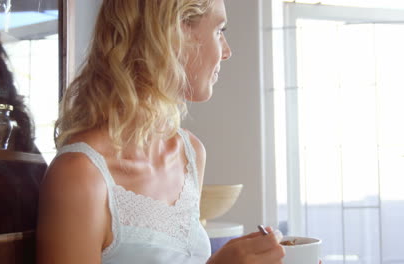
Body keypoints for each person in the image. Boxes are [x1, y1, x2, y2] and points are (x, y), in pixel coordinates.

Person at [36, 0, 285, 263]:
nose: (227, 51)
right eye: (219, 30)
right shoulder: (78, 175)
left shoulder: (190, 155)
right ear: (175, 32)